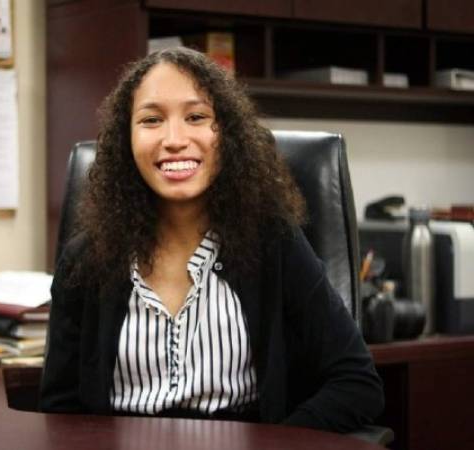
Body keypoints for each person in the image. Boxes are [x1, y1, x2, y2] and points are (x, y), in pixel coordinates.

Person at [40, 47, 384, 432]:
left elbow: (357, 383)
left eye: (197, 117)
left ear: (228, 134)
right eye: (151, 119)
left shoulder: (273, 243)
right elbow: (60, 409)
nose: (174, 139)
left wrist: (280, 444)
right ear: (126, 140)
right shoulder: (87, 259)